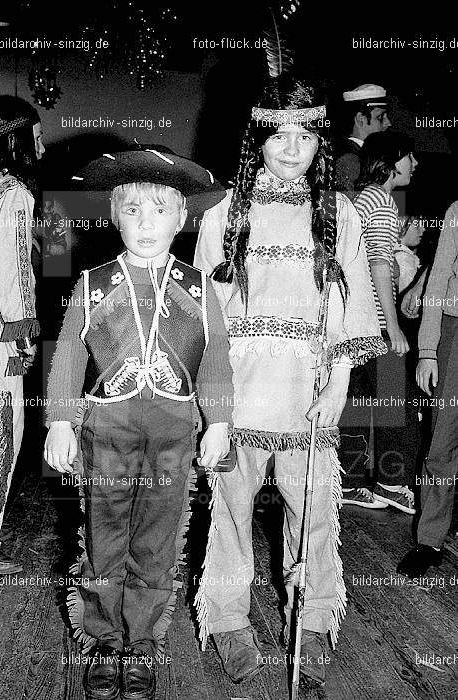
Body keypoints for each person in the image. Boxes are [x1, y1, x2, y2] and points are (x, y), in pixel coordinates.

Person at [193, 75, 386, 687]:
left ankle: (317, 613)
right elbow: (206, 317)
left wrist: (337, 387)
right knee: (229, 514)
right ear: (258, 139)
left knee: (316, 512)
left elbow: (352, 308)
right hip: (240, 395)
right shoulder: (227, 215)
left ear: (320, 143)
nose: (293, 147)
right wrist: (214, 406)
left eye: (306, 135)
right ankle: (226, 621)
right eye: (281, 134)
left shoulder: (338, 213)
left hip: (308, 393)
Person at [44, 149, 233, 700]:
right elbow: (67, 360)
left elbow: (216, 359)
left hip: (175, 432)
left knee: (157, 539)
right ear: (113, 214)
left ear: (183, 218)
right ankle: (103, 641)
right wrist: (58, 422)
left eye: (159, 211)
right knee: (104, 536)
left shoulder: (201, 289)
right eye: (132, 210)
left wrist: (218, 421)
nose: (146, 223)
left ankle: (142, 643)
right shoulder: (92, 284)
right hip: (108, 430)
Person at [341, 131, 419, 513]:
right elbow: (379, 264)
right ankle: (392, 483)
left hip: (349, 321)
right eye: (409, 158)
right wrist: (393, 326)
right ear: (391, 162)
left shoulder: (356, 199)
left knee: (353, 402)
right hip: (374, 322)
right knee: (397, 406)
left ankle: (350, 481)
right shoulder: (384, 202)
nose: (414, 165)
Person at [0, 95, 43, 575]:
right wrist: (24, 341)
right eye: (36, 135)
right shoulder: (13, 195)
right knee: (2, 430)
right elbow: (13, 276)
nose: (41, 145)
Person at [397, 201, 458, 578]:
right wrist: (428, 351)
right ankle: (430, 539)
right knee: (442, 441)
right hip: (453, 331)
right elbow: (436, 280)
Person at [334, 84, 391, 197]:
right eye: (380, 118)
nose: (388, 123)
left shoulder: (364, 155)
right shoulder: (349, 159)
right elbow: (335, 210)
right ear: (361, 120)